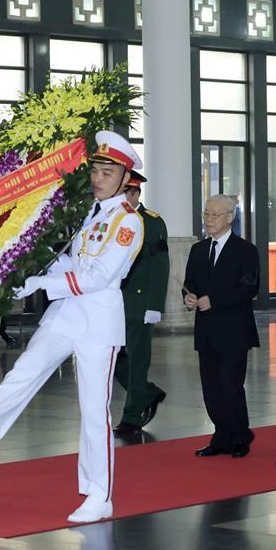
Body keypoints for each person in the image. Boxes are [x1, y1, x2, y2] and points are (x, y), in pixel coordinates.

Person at [0, 131, 144, 524]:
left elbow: (98, 277)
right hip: (67, 312)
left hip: (97, 322)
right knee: (23, 372)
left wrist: (38, 284)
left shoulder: (128, 223)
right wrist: (34, 265)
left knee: (92, 411)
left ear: (124, 179)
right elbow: (73, 262)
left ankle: (98, 495)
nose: (98, 178)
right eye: (96, 171)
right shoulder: (89, 213)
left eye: (107, 172)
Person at [183, 194, 259, 459]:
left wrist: (213, 300)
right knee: (211, 388)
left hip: (234, 331)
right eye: (206, 214)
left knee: (230, 385)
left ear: (230, 217)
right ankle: (221, 435)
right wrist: (189, 297)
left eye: (215, 215)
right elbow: (190, 282)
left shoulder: (246, 250)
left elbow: (250, 287)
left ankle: (240, 434)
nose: (209, 220)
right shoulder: (198, 249)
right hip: (206, 331)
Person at [112, 171, 170, 437]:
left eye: (126, 194)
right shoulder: (113, 221)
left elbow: (160, 266)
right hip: (113, 303)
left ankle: (132, 417)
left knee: (137, 360)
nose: (121, 199)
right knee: (113, 360)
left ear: (136, 194)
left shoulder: (152, 223)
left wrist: (155, 305)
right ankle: (148, 393)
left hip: (139, 303)